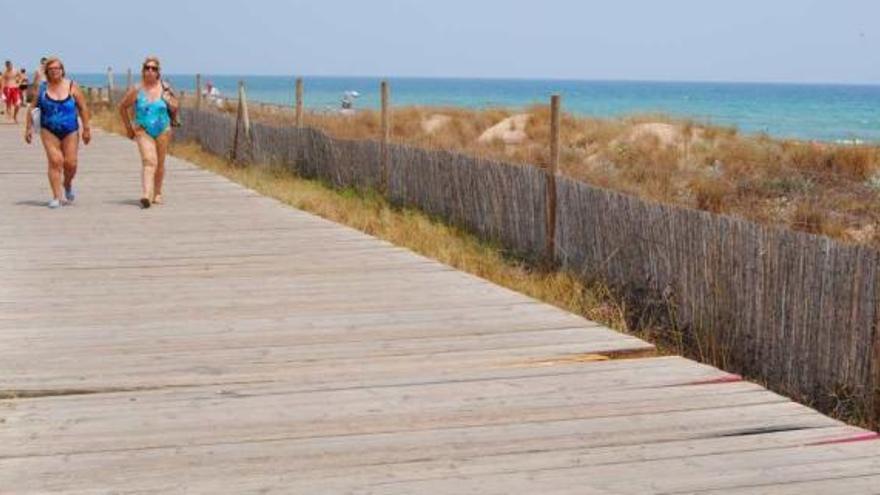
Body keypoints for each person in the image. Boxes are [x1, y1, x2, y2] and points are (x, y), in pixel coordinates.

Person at [24, 57, 92, 209]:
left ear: (62, 70)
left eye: (57, 68)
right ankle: (57, 197)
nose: (55, 71)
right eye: (51, 69)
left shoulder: (72, 86)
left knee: (71, 163)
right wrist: (28, 128)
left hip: (71, 130)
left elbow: (83, 108)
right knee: (55, 161)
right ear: (47, 72)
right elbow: (32, 107)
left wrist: (86, 128)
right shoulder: (42, 88)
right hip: (48, 130)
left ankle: (67, 184)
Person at [118, 56, 178, 208]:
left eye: (154, 69)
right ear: (143, 71)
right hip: (143, 130)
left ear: (158, 72)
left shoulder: (165, 87)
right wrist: (128, 128)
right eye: (147, 68)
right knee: (149, 161)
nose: (150, 71)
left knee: (160, 163)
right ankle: (146, 194)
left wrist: (170, 102)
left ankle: (157, 193)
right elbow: (122, 107)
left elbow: (175, 108)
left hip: (163, 129)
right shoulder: (137, 89)